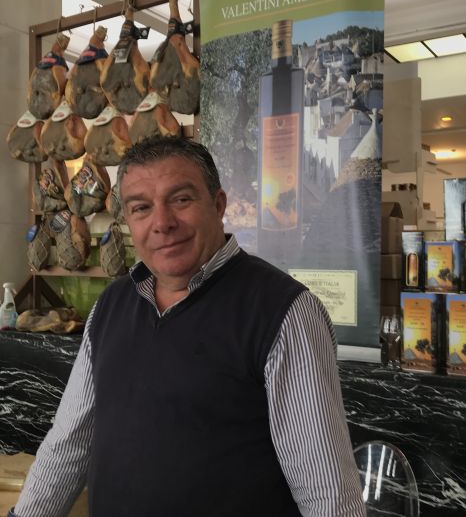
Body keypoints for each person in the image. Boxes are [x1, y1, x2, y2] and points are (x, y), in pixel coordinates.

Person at [12, 135, 365, 517]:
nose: (162, 223)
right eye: (141, 208)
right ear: (128, 221)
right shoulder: (110, 307)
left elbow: (327, 493)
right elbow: (68, 444)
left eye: (181, 199)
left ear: (218, 205)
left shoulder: (284, 312)